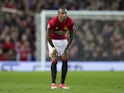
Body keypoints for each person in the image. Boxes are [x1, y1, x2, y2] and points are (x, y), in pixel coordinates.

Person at [47, 8, 75, 89]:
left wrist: (66, 49)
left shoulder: (70, 22)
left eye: (65, 13)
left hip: (63, 40)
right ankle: (53, 83)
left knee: (65, 58)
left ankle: (62, 84)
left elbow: (71, 37)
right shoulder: (52, 22)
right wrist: (53, 47)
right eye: (62, 13)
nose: (64, 15)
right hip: (53, 40)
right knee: (54, 59)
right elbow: (47, 36)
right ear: (58, 14)